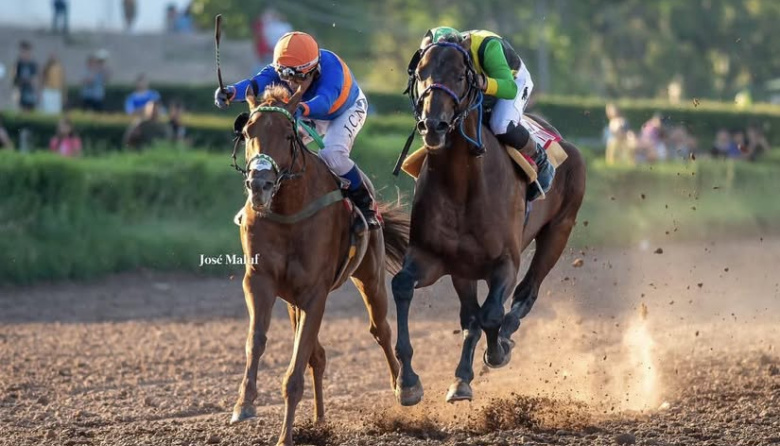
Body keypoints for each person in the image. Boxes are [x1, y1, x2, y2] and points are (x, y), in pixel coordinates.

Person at [214, 31, 379, 230]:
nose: (291, 82)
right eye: (284, 75)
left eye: (298, 77)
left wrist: (299, 109)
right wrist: (230, 92)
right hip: (306, 110)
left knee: (332, 154)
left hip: (345, 110)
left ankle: (367, 207)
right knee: (279, 146)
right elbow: (254, 85)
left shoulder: (332, 69)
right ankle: (257, 198)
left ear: (314, 70)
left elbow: (324, 102)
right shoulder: (284, 67)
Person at [419, 27, 555, 199]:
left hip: (512, 81)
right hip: (468, 80)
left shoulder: (488, 47)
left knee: (500, 125)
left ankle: (540, 159)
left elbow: (509, 89)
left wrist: (483, 83)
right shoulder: (436, 47)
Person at [12, 41, 39, 112]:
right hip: (21, 90)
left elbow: (34, 78)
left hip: (30, 91)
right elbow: (15, 77)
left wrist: (35, 91)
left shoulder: (32, 64)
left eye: (25, 51)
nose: (24, 54)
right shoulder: (19, 63)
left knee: (30, 109)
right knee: (22, 109)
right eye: (22, 51)